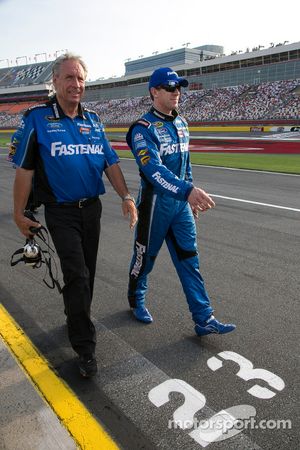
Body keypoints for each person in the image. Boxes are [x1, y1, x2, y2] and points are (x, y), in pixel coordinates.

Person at [12, 53, 137, 377]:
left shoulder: (94, 120)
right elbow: (25, 170)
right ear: (55, 82)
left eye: (80, 78)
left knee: (86, 276)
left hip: (91, 210)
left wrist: (126, 196)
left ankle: (75, 315)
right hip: (60, 212)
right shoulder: (37, 118)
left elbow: (110, 162)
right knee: (78, 275)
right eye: (69, 77)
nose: (76, 84)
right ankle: (85, 347)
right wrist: (17, 214)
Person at [126, 67, 236, 336]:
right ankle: (136, 300)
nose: (177, 92)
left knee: (190, 260)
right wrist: (187, 191)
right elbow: (153, 170)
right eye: (170, 87)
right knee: (146, 259)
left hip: (180, 205)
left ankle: (203, 317)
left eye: (179, 88)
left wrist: (190, 199)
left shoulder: (182, 123)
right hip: (155, 205)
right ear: (154, 92)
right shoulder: (142, 129)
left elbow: (186, 167)